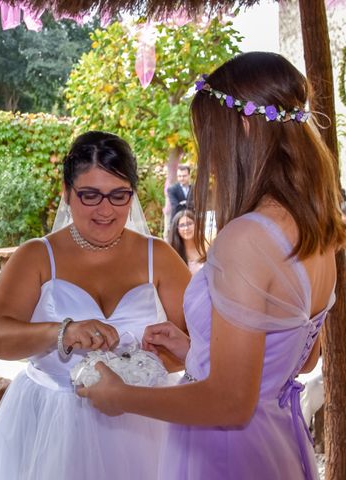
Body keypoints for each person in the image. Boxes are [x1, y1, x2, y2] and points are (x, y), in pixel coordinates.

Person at [77, 52, 345, 480]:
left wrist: (122, 396)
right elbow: (300, 357)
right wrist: (196, 352)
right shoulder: (317, 232)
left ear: (241, 127)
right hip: (275, 445)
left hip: (225, 456)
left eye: (208, 137)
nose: (208, 157)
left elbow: (229, 404)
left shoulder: (248, 239)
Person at [0, 131, 191, 480]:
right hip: (51, 422)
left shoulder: (160, 258)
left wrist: (156, 359)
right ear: (66, 192)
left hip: (141, 425)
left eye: (118, 195)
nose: (105, 210)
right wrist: (64, 331)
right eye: (90, 195)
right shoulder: (36, 256)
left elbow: (202, 345)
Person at [167, 209, 203, 274]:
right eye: (182, 225)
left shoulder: (206, 246)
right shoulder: (173, 253)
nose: (186, 228)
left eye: (189, 223)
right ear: (176, 229)